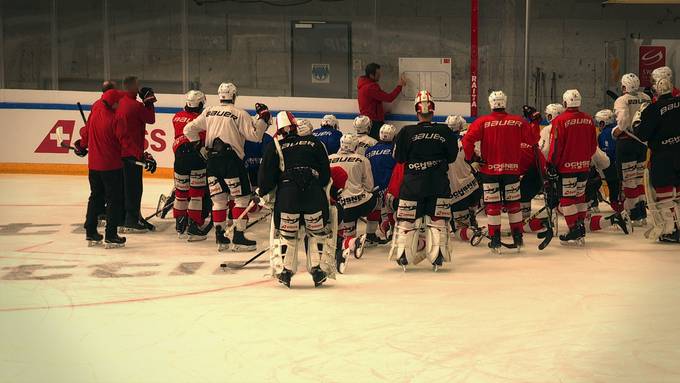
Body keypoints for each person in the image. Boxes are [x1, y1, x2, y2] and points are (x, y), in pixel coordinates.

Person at [184, 82, 270, 252]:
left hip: (213, 163)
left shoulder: (209, 111)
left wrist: (201, 148)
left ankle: (220, 237)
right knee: (242, 199)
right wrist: (263, 119)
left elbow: (188, 130)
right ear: (234, 96)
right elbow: (256, 136)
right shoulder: (239, 113)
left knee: (218, 200)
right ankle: (238, 237)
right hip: (232, 162)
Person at [257, 111, 335, 287]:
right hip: (313, 192)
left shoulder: (276, 144)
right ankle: (317, 270)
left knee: (288, 234)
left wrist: (262, 191)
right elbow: (325, 174)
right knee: (316, 233)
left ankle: (285, 271)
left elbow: (266, 176)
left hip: (288, 193)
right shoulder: (315, 143)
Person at [390, 90, 458, 271]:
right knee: (438, 221)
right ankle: (438, 257)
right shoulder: (445, 131)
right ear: (433, 110)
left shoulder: (406, 132)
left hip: (412, 185)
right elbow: (452, 157)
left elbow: (398, 157)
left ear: (416, 111)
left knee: (406, 222)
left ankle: (403, 255)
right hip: (439, 184)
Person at [463, 90, 534, 252]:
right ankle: (518, 237)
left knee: (493, 207)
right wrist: (534, 122)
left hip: (489, 171)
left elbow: (467, 140)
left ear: (490, 103)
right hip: (512, 172)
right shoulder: (518, 121)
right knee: (514, 205)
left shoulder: (482, 122)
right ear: (505, 102)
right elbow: (532, 140)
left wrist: (471, 158)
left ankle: (495, 239)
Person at [73, 89, 127, 248]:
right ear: (114, 103)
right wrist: (138, 155)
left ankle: (90, 232)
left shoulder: (96, 109)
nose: (120, 105)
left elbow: (86, 132)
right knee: (114, 200)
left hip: (94, 166)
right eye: (119, 102)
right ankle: (111, 235)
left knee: (95, 197)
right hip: (111, 166)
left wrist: (82, 146)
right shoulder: (116, 118)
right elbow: (125, 142)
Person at [548, 89, 598, 245]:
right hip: (583, 167)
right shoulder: (589, 119)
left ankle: (573, 229)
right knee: (580, 198)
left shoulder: (560, 120)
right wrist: (585, 160)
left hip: (566, 168)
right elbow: (593, 145)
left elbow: (556, 146)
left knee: (567, 200)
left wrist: (552, 164)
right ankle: (580, 227)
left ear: (565, 102)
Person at [634, 77, 680, 243]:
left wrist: (637, 121)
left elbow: (642, 135)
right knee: (678, 190)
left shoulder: (653, 109)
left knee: (665, 192)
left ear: (656, 92)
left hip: (663, 156)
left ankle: (671, 229)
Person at [329, 134, 376, 272]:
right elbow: (369, 186)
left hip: (338, 204)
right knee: (375, 198)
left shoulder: (329, 158)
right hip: (360, 204)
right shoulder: (362, 159)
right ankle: (367, 234)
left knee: (339, 219)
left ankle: (348, 239)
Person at [116, 76, 157, 233]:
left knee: (123, 187)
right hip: (132, 153)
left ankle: (125, 217)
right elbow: (151, 119)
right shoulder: (135, 106)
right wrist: (149, 102)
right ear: (133, 87)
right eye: (138, 85)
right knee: (134, 188)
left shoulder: (119, 102)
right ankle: (132, 220)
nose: (140, 88)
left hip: (119, 153)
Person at [171, 90, 213, 241]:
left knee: (180, 193)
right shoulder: (202, 120)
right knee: (196, 195)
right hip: (196, 157)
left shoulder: (176, 117)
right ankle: (194, 226)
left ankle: (180, 225)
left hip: (180, 158)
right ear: (200, 103)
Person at [613, 73, 651, 226]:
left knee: (629, 181)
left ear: (624, 86)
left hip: (627, 142)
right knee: (638, 180)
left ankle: (634, 215)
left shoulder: (622, 100)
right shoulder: (646, 98)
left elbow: (622, 120)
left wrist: (616, 131)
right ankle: (642, 214)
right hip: (642, 143)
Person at [445, 115, 482, 233]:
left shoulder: (441, 142)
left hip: (453, 194)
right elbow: (478, 157)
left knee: (461, 231)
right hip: (472, 188)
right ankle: (472, 212)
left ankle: (465, 219)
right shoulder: (466, 139)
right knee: (478, 176)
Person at [365, 124, 397, 245]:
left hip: (374, 187)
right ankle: (391, 231)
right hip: (390, 186)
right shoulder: (395, 149)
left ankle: (371, 233)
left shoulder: (370, 150)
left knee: (376, 208)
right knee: (391, 210)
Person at [357, 63, 406, 139]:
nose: (380, 76)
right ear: (371, 75)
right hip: (374, 123)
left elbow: (372, 102)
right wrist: (400, 86)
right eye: (378, 74)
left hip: (367, 121)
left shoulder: (363, 85)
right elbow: (389, 98)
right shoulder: (371, 87)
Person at [595, 109, 624, 213]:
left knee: (610, 184)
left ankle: (596, 202)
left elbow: (608, 152)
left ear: (603, 122)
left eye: (599, 122)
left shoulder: (605, 134)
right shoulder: (615, 129)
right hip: (621, 164)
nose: (598, 125)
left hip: (611, 166)